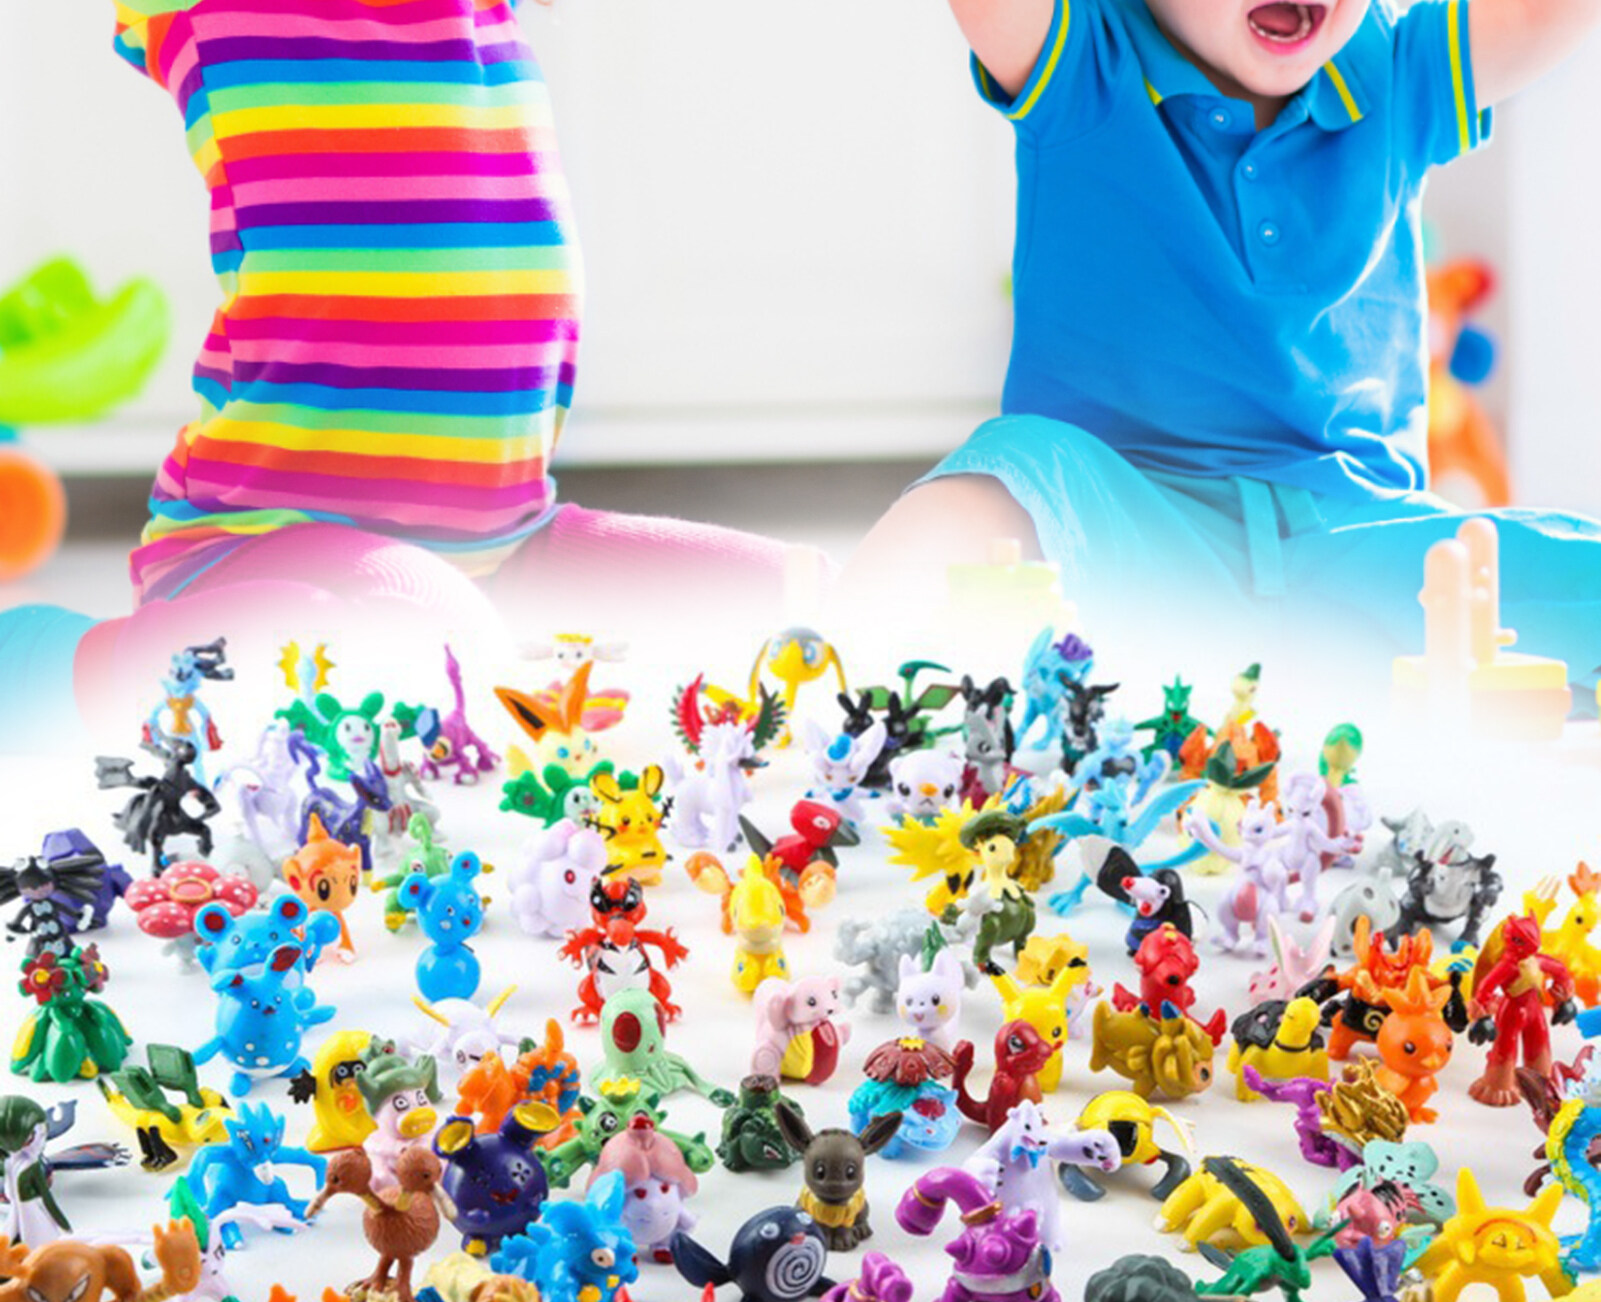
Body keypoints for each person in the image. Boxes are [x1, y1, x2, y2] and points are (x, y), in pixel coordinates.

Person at [2, 0, 796, 744]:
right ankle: (55, 662)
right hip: (261, 544)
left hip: (504, 549)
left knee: (797, 606)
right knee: (410, 634)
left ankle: (483, 675)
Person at [845, 0, 1601, 660]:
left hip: (1355, 532)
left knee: (1558, 569)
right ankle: (828, 670)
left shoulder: (1399, 69)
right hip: (1126, 521)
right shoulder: (1085, 58)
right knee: (989, 490)